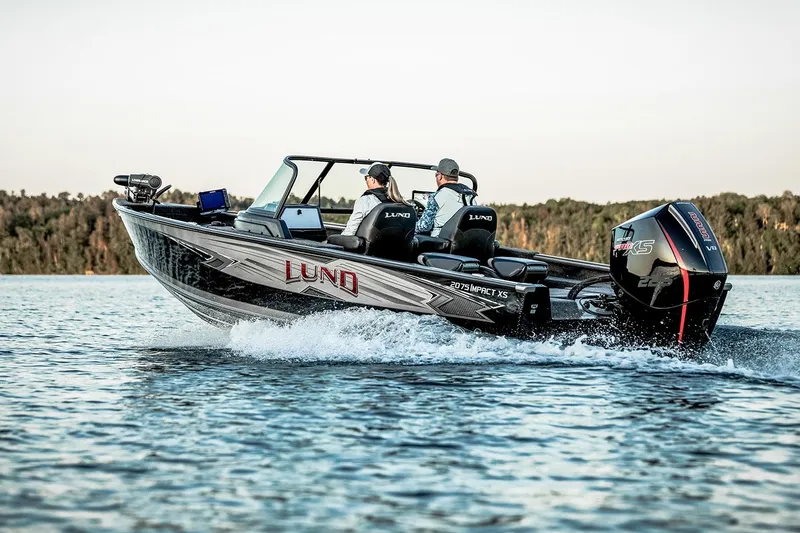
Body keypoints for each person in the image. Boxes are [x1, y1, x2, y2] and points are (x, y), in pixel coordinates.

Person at [340, 163, 408, 236]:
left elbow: (349, 232)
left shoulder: (365, 201)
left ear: (372, 180)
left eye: (366, 178)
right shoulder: (400, 201)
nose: (366, 181)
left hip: (370, 247)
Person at [415, 158, 477, 237]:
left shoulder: (436, 197)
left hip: (440, 244)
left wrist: (409, 226)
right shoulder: (471, 196)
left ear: (440, 176)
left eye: (436, 174)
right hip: (464, 242)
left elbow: (423, 227)